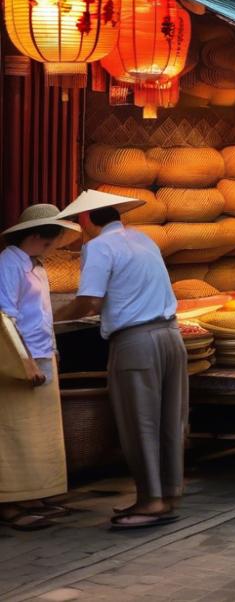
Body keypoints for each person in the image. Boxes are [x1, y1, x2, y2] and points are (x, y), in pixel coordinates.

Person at [55, 190, 187, 530]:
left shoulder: (98, 247)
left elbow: (90, 302)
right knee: (169, 419)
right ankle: (169, 492)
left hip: (136, 341)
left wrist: (53, 319)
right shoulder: (144, 240)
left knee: (139, 421)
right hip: (171, 336)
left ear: (86, 220)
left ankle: (150, 500)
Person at [0, 205, 80, 531]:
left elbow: (42, 314)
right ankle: (11, 502)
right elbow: (6, 316)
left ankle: (34, 494)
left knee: (40, 435)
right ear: (34, 236)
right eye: (48, 244)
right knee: (16, 434)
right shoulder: (9, 263)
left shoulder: (37, 266)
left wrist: (53, 351)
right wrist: (26, 361)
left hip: (43, 353)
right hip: (22, 359)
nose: (50, 250)